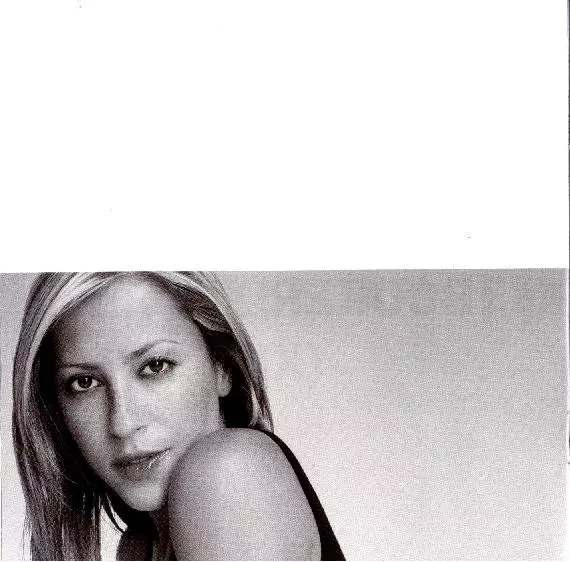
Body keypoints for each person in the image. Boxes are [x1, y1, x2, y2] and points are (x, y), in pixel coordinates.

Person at [12, 271, 345, 561]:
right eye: (85, 383)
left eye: (156, 366)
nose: (122, 423)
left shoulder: (229, 472)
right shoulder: (139, 545)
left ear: (222, 365)